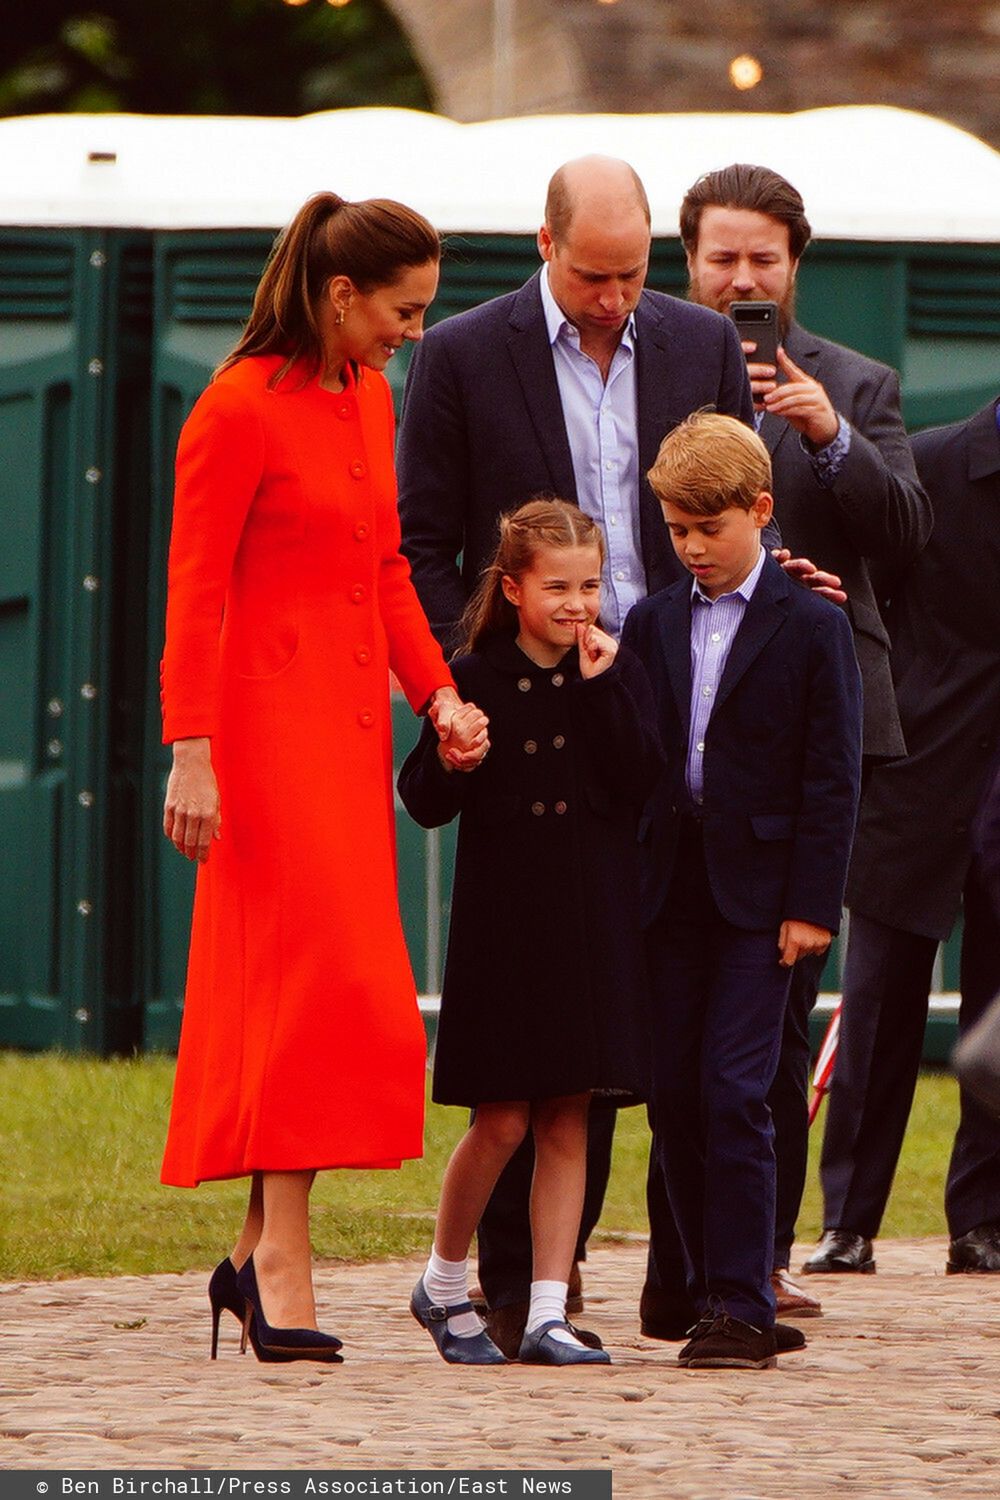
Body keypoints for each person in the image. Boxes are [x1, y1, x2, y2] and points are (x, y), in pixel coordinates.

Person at [397, 153, 815, 1354]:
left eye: (632, 275)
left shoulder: (694, 343)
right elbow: (423, 540)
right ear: (543, 245)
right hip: (528, 704)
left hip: (669, 701)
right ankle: (527, 1287)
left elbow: (729, 502)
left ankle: (687, 1281)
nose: (613, 299)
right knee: (547, 1016)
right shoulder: (467, 353)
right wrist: (452, 685)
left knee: (663, 1002)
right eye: (592, 275)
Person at [159, 192, 488, 1364]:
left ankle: (254, 1256)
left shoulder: (367, 396)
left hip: (342, 740)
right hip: (257, 741)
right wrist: (189, 752)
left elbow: (388, 565)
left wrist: (437, 692)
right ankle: (282, 1259)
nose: (413, 331)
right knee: (307, 994)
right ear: (340, 295)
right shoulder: (234, 409)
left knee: (341, 999)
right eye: (402, 312)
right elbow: (193, 592)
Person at [640, 162, 931, 1328]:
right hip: (678, 725)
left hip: (816, 729)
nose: (742, 279)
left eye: (764, 258)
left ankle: (754, 1264)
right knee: (674, 1037)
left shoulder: (856, 383)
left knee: (771, 1019)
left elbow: (910, 539)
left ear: (795, 265)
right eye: (721, 257)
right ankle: (686, 1266)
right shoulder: (654, 368)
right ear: (689, 259)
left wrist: (829, 441)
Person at [622, 412, 862, 1368]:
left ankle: (742, 1300)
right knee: (675, 1092)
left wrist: (813, 903)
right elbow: (639, 756)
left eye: (707, 529)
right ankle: (687, 1281)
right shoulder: (649, 621)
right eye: (676, 530)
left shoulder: (812, 624)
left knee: (735, 1089)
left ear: (761, 512)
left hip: (764, 904)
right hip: (668, 895)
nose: (691, 548)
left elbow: (831, 774)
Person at [398, 498, 662, 1366]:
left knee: (569, 1118)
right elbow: (427, 802)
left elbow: (641, 780)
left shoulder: (611, 672)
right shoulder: (470, 675)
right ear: (513, 588)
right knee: (503, 1119)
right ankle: (441, 1280)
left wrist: (602, 688)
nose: (577, 603)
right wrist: (450, 750)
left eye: (591, 584)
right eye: (557, 587)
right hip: (506, 931)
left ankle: (549, 1309)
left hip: (590, 927)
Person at [804, 395, 1000, 1277]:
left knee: (998, 1013)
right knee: (879, 1011)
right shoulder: (926, 464)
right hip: (916, 774)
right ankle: (848, 1222)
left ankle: (983, 1220)